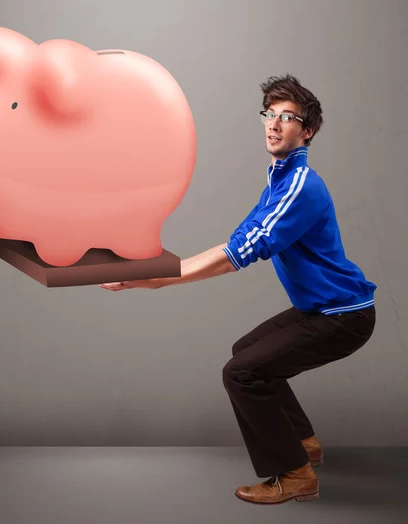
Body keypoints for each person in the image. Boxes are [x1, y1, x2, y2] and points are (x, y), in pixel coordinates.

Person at [100, 74, 377, 505]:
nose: (274, 124)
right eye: (270, 114)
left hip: (343, 316)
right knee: (245, 350)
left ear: (307, 131)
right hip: (322, 308)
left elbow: (235, 257)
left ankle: (295, 475)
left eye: (288, 118)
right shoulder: (279, 181)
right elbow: (234, 242)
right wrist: (152, 268)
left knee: (242, 373)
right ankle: (303, 442)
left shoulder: (300, 187)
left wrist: (154, 280)